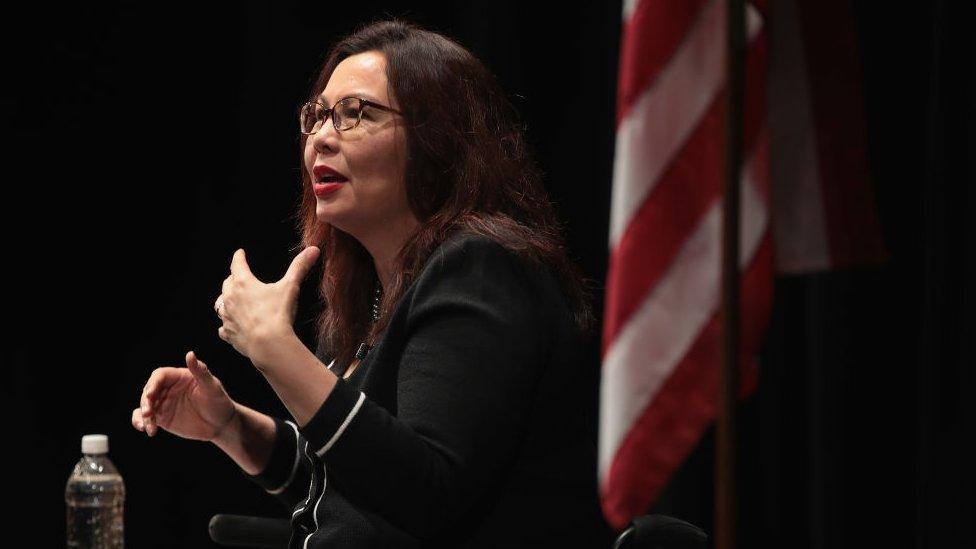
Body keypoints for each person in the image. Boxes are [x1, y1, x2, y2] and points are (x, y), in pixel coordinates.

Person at [131, 20, 611, 548]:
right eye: (316, 117)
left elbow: (425, 493)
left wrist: (273, 348)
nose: (322, 137)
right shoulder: (378, 292)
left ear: (438, 139)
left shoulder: (481, 269)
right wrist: (229, 426)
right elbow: (356, 485)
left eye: (354, 114)